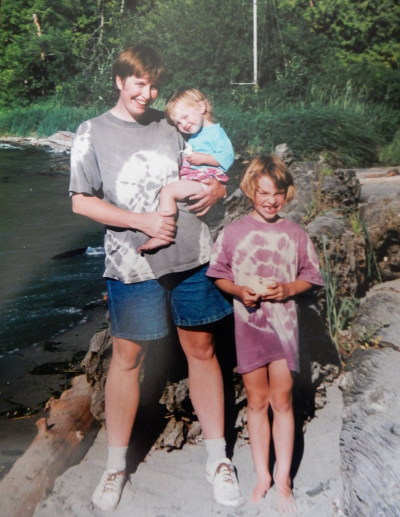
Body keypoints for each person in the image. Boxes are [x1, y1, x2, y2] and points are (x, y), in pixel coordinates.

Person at [69, 44, 243, 511]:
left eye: (153, 84)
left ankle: (217, 457)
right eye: (138, 83)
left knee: (202, 350)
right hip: (131, 263)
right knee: (126, 357)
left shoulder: (172, 125)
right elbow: (81, 201)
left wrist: (218, 186)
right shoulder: (91, 132)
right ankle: (114, 467)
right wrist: (140, 221)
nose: (146, 93)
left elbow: (214, 163)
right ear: (119, 81)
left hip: (191, 257)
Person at [206, 154, 324, 513]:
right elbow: (218, 273)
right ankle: (263, 476)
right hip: (250, 327)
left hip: (284, 329)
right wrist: (240, 291)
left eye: (277, 193)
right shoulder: (234, 231)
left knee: (282, 401)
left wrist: (288, 290)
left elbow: (311, 276)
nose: (270, 200)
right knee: (256, 402)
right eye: (263, 193)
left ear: (287, 194)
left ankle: (284, 479)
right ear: (251, 192)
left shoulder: (295, 233)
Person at [138, 87, 234, 252]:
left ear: (201, 107)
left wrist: (203, 159)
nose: (183, 124)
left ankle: (162, 233)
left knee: (167, 192)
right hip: (197, 179)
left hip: (204, 180)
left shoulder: (215, 133)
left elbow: (228, 157)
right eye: (178, 123)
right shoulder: (196, 135)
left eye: (185, 117)